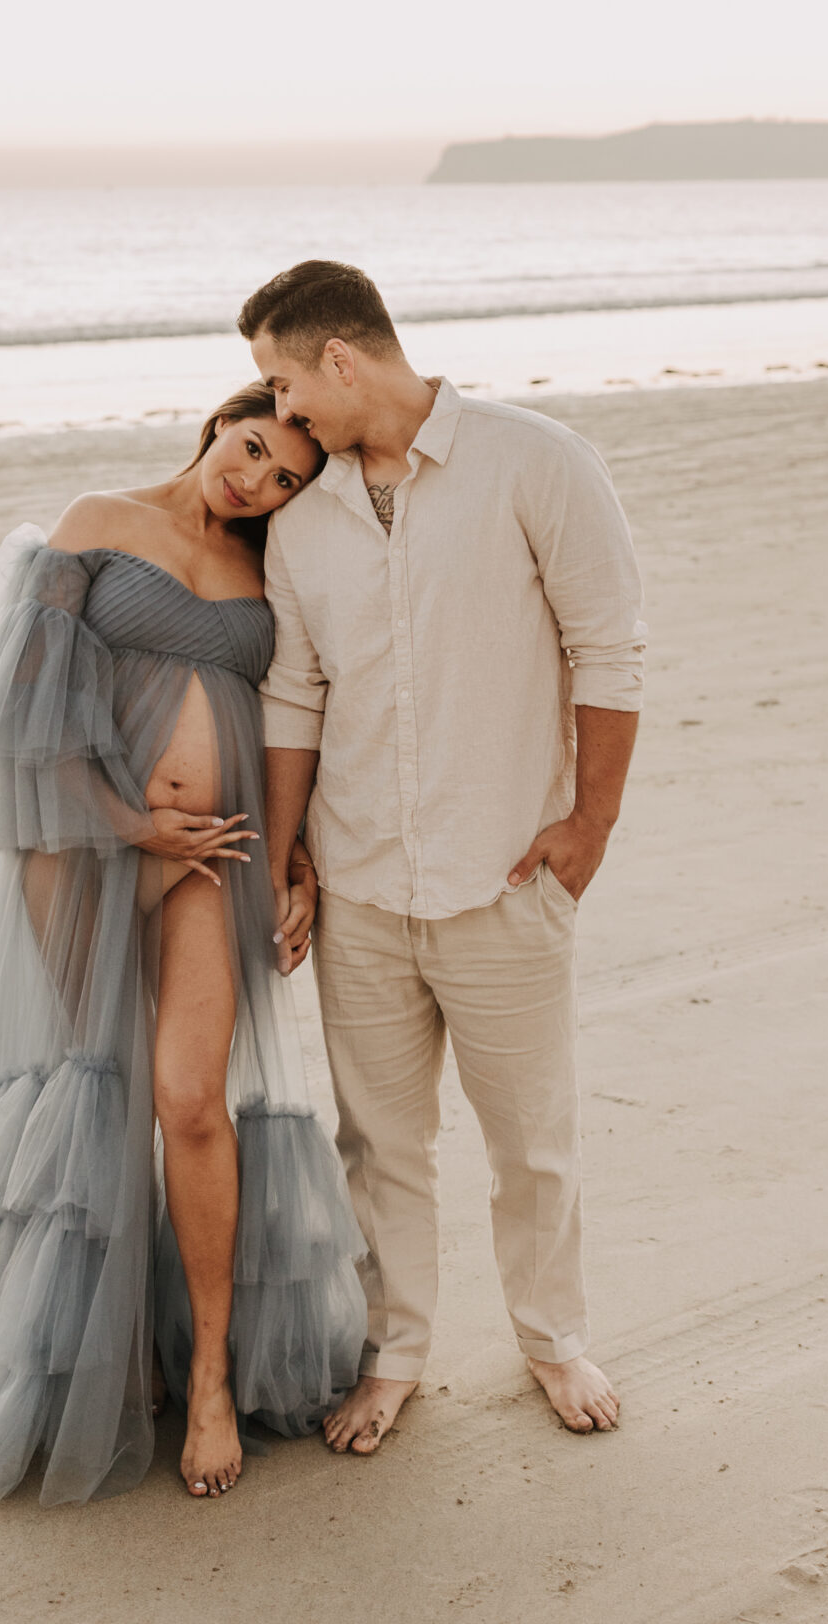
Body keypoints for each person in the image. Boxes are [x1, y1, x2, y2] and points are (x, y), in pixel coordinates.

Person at [0, 385, 366, 1505]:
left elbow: (301, 716)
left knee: (192, 1101)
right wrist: (127, 824)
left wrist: (297, 855)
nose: (254, 480)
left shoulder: (278, 571)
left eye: (283, 478)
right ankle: (113, 1343)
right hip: (83, 844)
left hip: (215, 852)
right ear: (219, 424)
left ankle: (208, 1372)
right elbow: (21, 716)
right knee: (96, 1091)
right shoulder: (99, 521)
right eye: (251, 448)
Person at [243, 260, 646, 1454]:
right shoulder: (302, 517)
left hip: (506, 876)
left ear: (343, 360)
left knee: (532, 1140)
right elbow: (293, 693)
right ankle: (398, 1352)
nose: (278, 410)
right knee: (380, 1145)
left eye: (282, 379)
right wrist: (289, 853)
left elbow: (611, 653)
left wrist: (590, 831)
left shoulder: (538, 462)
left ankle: (551, 1337)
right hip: (361, 885)